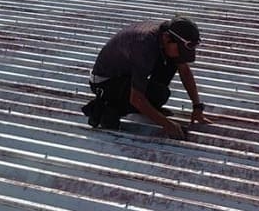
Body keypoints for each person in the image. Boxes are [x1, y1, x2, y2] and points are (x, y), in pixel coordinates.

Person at [81, 16, 210, 140]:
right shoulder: (145, 45)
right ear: (166, 38)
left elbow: (185, 71)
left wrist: (197, 107)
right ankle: (105, 109)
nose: (181, 55)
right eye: (180, 50)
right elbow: (136, 98)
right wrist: (168, 125)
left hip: (126, 74)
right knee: (159, 95)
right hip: (105, 83)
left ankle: (145, 104)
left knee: (171, 63)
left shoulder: (166, 35)